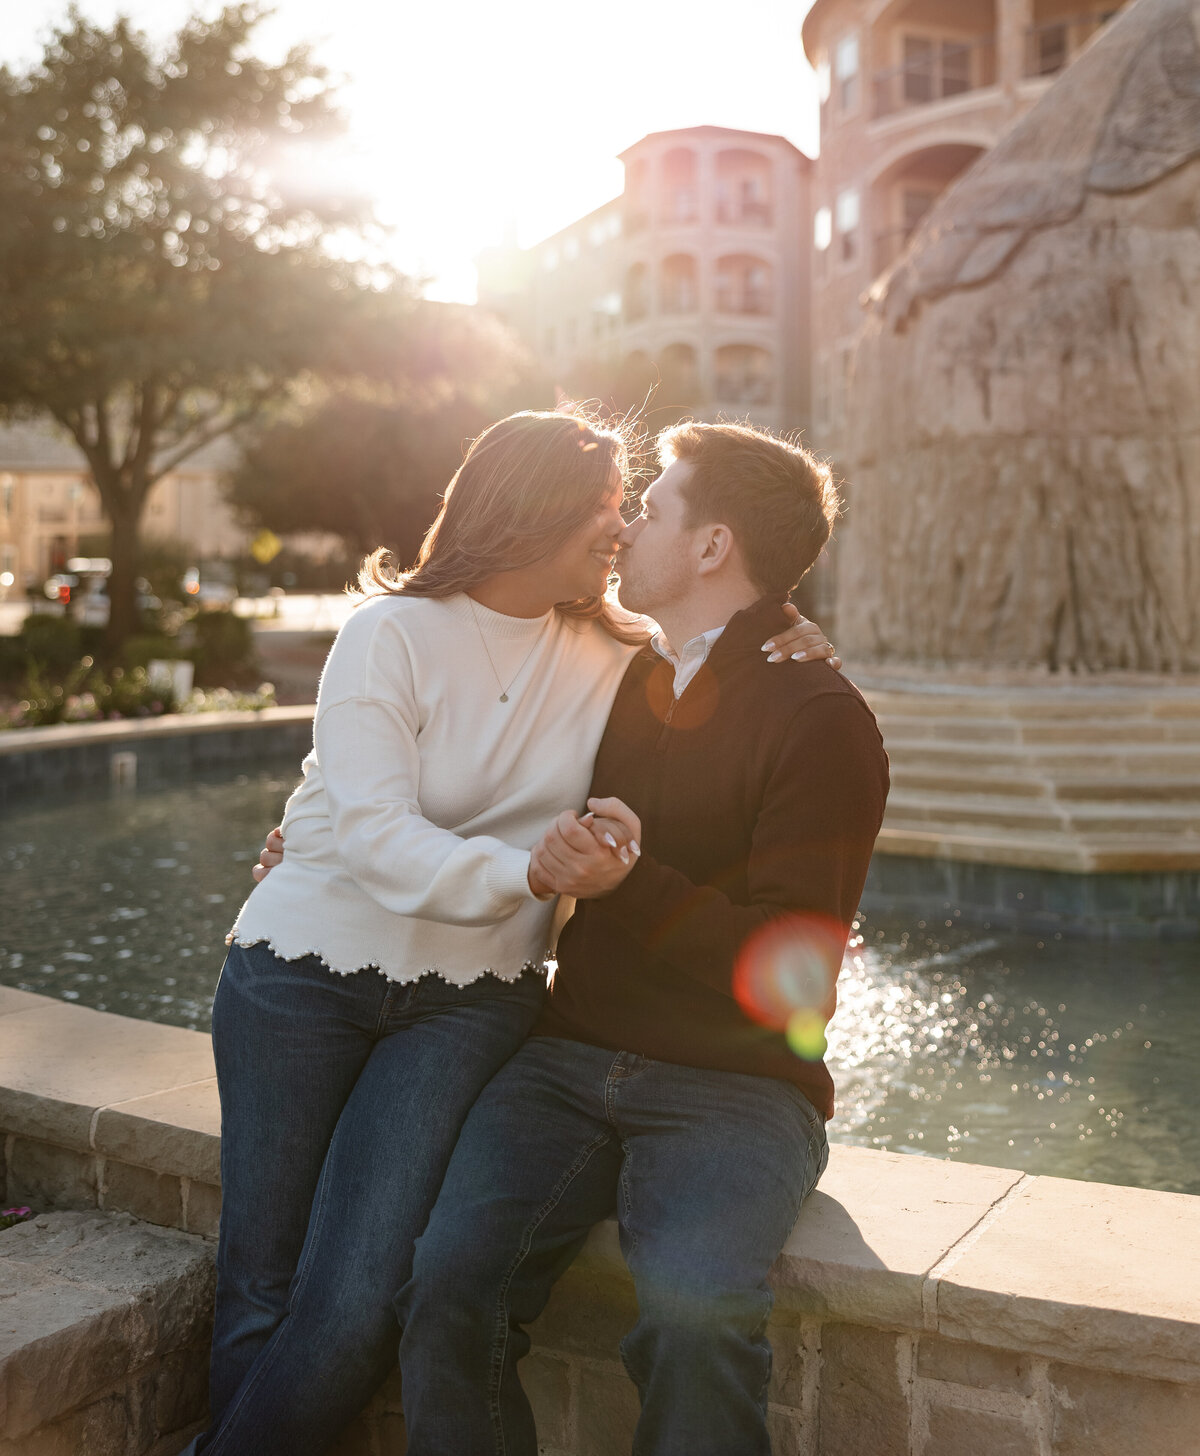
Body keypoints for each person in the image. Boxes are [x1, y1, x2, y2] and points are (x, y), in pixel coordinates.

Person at [189, 408, 832, 1456]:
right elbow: (371, 827)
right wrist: (521, 872)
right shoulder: (384, 634)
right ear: (532, 510)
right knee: (259, 1287)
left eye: (634, 508)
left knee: (357, 1303)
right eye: (607, 507)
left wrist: (788, 632)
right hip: (300, 976)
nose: (622, 530)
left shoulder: (616, 653)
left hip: (467, 999)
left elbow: (727, 633)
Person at [392, 419, 889, 1456]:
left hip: (739, 1088)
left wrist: (633, 883)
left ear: (712, 547)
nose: (623, 528)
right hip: (567, 1056)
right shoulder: (619, 673)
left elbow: (800, 985)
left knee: (697, 1317)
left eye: (652, 506)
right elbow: (463, 757)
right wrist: (306, 841)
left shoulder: (822, 718)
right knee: (445, 1284)